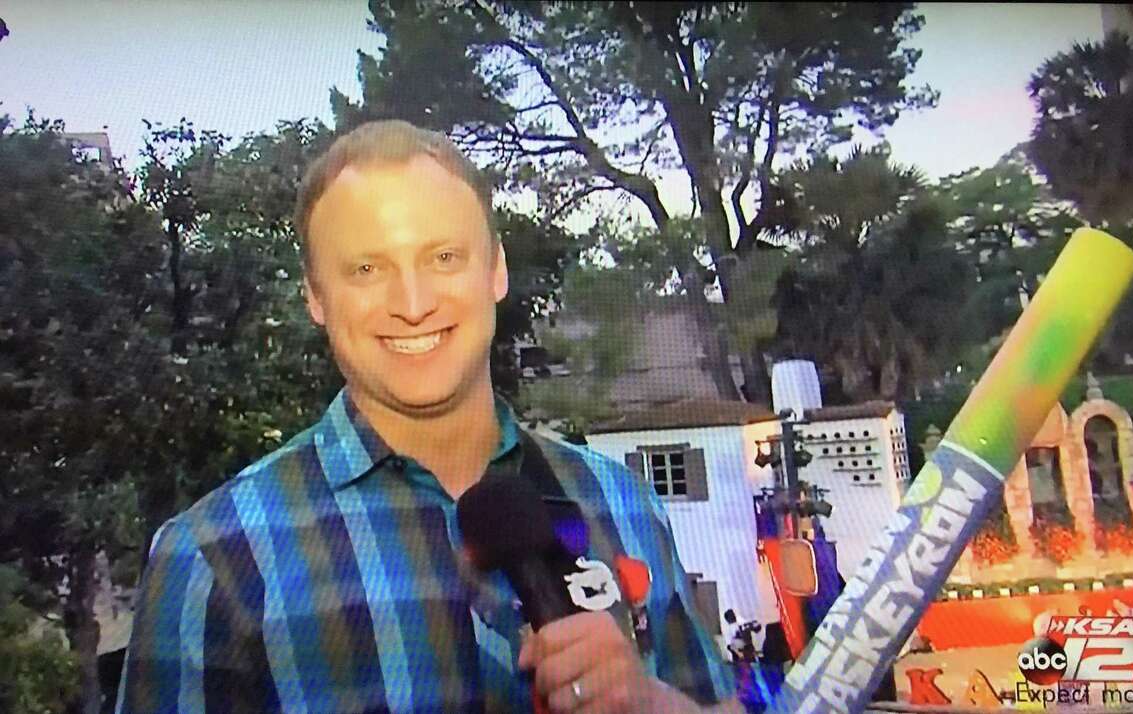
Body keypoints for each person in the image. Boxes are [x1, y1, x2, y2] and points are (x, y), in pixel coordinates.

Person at [116, 120, 754, 712]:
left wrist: (652, 702)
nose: (414, 303)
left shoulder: (624, 505)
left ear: (496, 270)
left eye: (443, 257)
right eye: (367, 269)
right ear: (315, 296)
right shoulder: (212, 558)